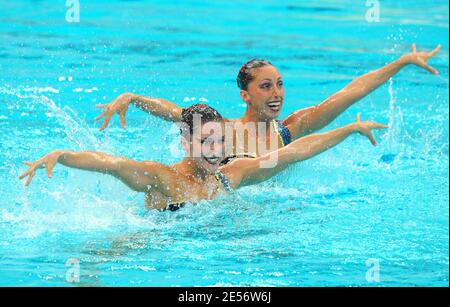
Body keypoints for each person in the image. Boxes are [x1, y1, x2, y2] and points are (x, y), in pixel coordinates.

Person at [94, 44, 439, 161]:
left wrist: (401, 63)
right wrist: (132, 98)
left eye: (280, 85)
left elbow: (350, 93)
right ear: (245, 95)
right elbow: (174, 112)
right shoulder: (221, 131)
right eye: (266, 86)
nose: (277, 94)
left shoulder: (291, 129)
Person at [20, 104, 388, 211]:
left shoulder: (232, 174)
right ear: (186, 143)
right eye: (207, 142)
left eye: (221, 142)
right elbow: (113, 163)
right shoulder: (162, 177)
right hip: (151, 242)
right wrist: (62, 155)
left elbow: (294, 153)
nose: (216, 151)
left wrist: (349, 131)